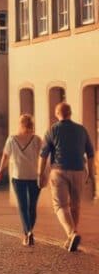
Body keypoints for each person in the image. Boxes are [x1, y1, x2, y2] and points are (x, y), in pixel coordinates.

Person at [38, 102, 95, 252]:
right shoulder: (81, 130)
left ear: (57, 114)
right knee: (75, 205)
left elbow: (43, 155)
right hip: (78, 171)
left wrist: (40, 174)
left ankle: (72, 233)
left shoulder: (52, 130)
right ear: (70, 113)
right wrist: (91, 173)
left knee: (60, 205)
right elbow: (90, 153)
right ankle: (71, 238)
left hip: (59, 171)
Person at [0, 114, 43, 246]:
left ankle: (28, 233)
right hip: (34, 176)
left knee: (23, 206)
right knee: (32, 206)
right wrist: (43, 173)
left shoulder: (12, 139)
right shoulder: (37, 139)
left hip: (18, 176)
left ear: (20, 124)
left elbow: (5, 157)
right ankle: (30, 231)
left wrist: (0, 171)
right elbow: (43, 157)